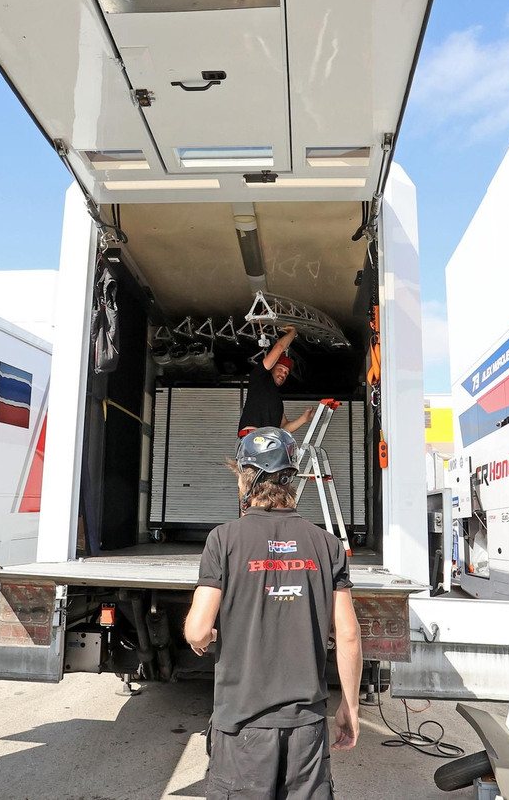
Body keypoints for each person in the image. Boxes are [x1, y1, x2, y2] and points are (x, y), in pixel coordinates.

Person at [184, 427, 362, 800]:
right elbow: (347, 634)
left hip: (242, 726)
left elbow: (198, 629)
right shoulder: (327, 545)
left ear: (246, 480)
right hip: (307, 728)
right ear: (292, 481)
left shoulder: (223, 539)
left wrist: (209, 637)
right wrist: (350, 705)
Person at [239, 325, 314, 438]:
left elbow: (284, 428)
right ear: (272, 367)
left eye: (286, 372)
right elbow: (279, 347)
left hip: (268, 442)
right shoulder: (259, 377)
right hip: (252, 438)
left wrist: (304, 419)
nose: (283, 374)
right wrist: (293, 331)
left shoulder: (277, 400)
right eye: (280, 369)